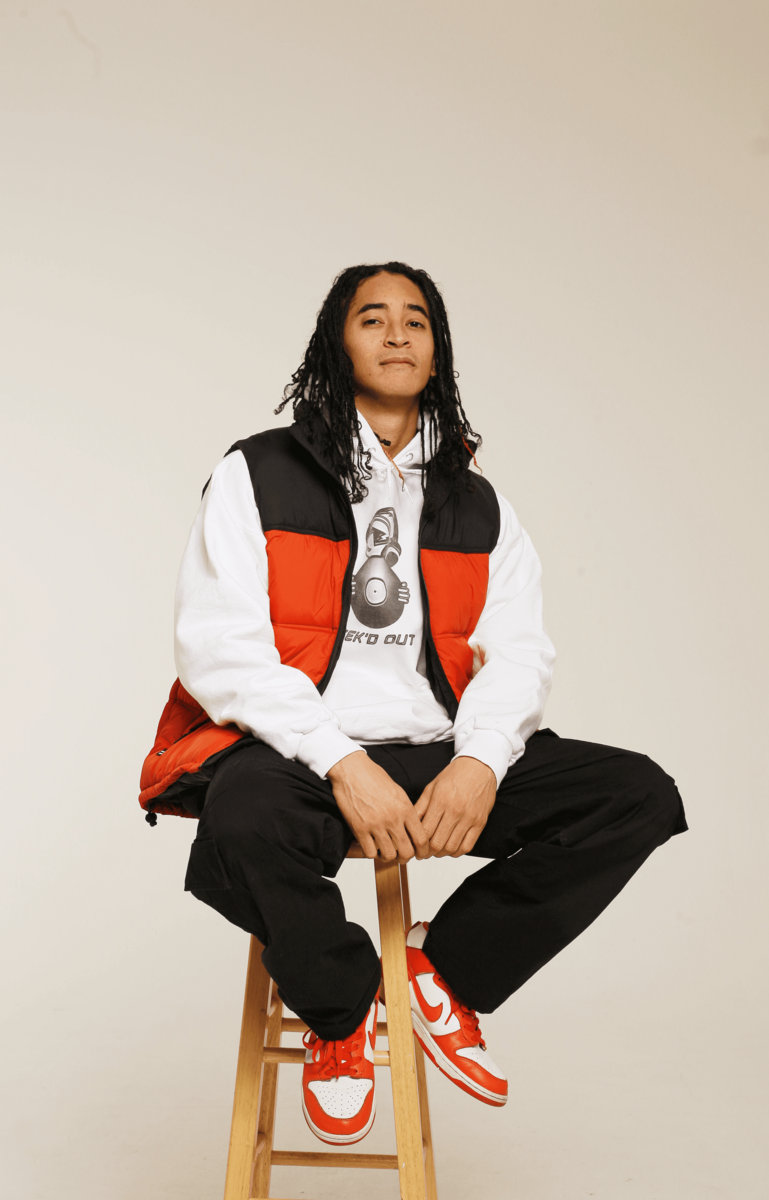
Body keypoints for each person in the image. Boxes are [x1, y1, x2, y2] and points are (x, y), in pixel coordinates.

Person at [142, 261, 687, 1147]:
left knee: (635, 795)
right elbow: (218, 645)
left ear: (437, 352)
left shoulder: (479, 504)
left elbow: (518, 653)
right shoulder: (257, 473)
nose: (396, 332)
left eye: (416, 320)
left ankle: (444, 974)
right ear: (336, 341)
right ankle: (340, 1012)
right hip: (301, 755)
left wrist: (479, 763)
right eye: (372, 317)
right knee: (239, 821)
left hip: (437, 749)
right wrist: (340, 760)